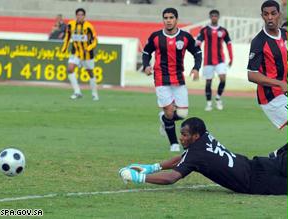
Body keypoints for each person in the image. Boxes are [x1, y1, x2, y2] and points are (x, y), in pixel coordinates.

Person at [119, 117, 288, 195]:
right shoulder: (205, 138)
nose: (181, 138)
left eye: (185, 135)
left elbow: (171, 178)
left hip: (257, 182)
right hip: (258, 165)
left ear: (196, 136)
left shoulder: (196, 154)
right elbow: (182, 158)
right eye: (181, 134)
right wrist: (153, 167)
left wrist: (139, 177)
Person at [142, 7, 202, 152]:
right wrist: (146, 66)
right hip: (160, 77)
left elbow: (197, 52)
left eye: (171, 18)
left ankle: (164, 119)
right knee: (169, 112)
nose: (168, 20)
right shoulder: (155, 36)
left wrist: (196, 68)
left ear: (176, 19)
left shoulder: (185, 37)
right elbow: (146, 52)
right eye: (166, 18)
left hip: (178, 78)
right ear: (163, 20)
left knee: (182, 114)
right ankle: (174, 143)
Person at [247, 0, 288, 132]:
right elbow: (252, 75)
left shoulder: (285, 35)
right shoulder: (259, 41)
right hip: (271, 96)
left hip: (284, 91)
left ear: (279, 14)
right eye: (266, 14)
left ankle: (277, 154)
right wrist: (280, 83)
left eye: (273, 13)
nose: (270, 17)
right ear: (262, 16)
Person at [196, 10, 233, 111]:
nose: (214, 18)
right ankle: (208, 103)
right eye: (212, 16)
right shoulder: (204, 30)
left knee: (223, 79)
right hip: (208, 60)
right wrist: (198, 54)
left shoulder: (223, 31)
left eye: (215, 16)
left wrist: (231, 58)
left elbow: (229, 44)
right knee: (208, 82)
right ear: (210, 17)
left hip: (220, 60)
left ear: (218, 17)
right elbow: (198, 43)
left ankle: (218, 98)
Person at [61, 8, 99, 101]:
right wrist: (64, 48)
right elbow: (67, 37)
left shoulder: (89, 26)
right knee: (70, 69)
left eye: (82, 15)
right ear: (76, 16)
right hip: (76, 52)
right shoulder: (70, 25)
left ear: (84, 16)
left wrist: (88, 48)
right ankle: (77, 92)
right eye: (78, 14)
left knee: (90, 73)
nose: (80, 16)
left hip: (87, 53)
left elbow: (95, 41)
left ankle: (94, 93)